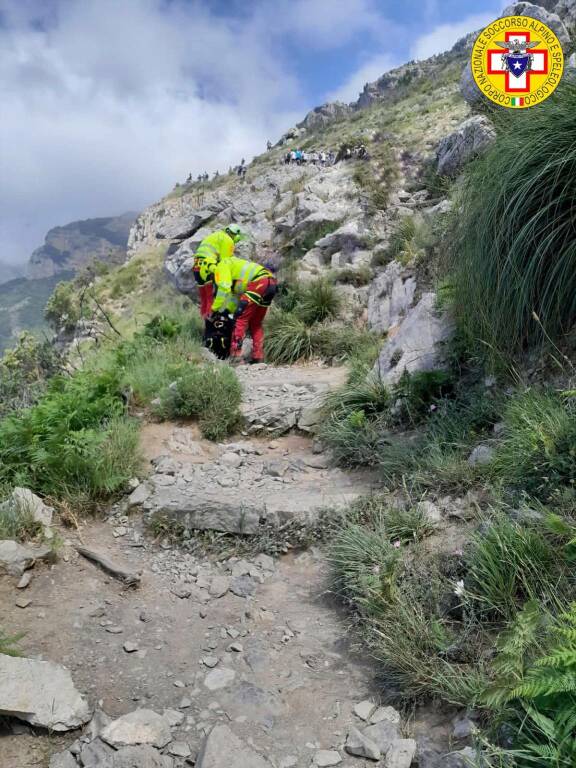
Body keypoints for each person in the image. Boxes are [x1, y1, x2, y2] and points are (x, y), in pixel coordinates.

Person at [199, 256, 278, 364]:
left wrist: (213, 309)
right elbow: (236, 295)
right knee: (255, 323)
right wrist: (227, 310)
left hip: (258, 283)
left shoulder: (221, 266)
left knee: (239, 320)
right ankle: (258, 357)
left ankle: (236, 356)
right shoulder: (233, 266)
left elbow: (224, 288)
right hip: (271, 283)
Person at [192, 225, 246, 319]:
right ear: (236, 235)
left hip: (197, 266)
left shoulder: (216, 235)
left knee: (203, 297)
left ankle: (203, 319)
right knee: (210, 297)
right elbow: (225, 261)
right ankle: (209, 321)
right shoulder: (228, 240)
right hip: (208, 266)